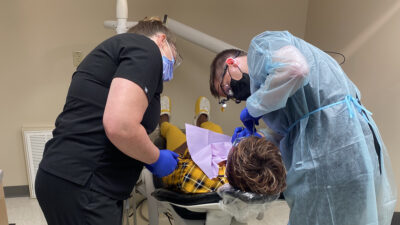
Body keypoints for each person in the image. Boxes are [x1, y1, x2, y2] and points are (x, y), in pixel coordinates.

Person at [209, 31, 397, 225]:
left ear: (231, 63)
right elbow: (295, 131)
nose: (235, 97)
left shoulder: (261, 45)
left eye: (227, 89)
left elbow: (295, 70)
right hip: (349, 149)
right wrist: (262, 136)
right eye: (230, 98)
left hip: (335, 151)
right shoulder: (268, 86)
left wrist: (253, 107)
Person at [35, 17, 182, 225]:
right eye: (173, 59)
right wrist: (156, 158)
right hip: (85, 185)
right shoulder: (146, 48)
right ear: (161, 40)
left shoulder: (115, 53)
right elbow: (120, 126)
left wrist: (143, 154)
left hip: (64, 177)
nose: (171, 71)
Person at [158, 96, 286, 195]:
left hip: (187, 158)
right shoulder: (261, 181)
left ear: (234, 163)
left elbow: (169, 170)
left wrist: (189, 146)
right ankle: (202, 120)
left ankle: (164, 121)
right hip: (221, 165)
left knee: (172, 131)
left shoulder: (193, 175)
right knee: (215, 128)